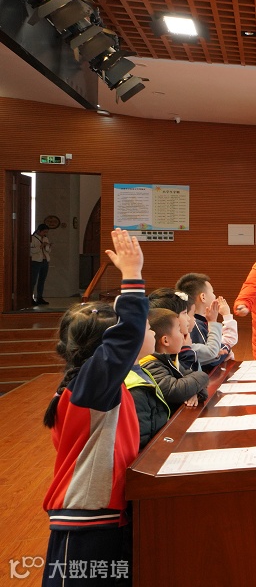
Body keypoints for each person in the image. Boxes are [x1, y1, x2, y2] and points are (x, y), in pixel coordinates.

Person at [41, 228, 148, 586]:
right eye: (145, 327)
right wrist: (132, 276)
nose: (146, 331)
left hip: (103, 516)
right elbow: (126, 338)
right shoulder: (91, 387)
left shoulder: (95, 386)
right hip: (86, 522)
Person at [139, 308, 209, 413]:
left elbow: (193, 381)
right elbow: (175, 391)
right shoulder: (150, 364)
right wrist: (203, 377)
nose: (183, 336)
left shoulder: (168, 359)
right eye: (179, 331)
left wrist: (194, 391)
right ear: (166, 340)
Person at [176, 273, 237, 372]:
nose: (215, 296)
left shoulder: (202, 321)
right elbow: (210, 356)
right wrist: (226, 350)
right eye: (212, 292)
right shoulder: (195, 325)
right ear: (203, 297)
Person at [30, 223, 52, 305]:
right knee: (33, 280)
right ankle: (30, 298)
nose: (45, 234)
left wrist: (48, 246)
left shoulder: (45, 238)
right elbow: (31, 251)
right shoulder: (32, 238)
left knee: (42, 280)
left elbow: (48, 251)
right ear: (39, 231)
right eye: (44, 232)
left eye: (46, 232)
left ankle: (40, 297)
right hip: (35, 261)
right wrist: (41, 246)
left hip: (45, 261)